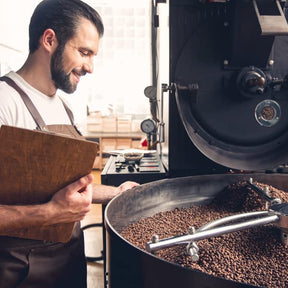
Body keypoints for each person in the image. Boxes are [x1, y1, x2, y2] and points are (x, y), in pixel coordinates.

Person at [0, 1, 138, 287]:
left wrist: (118, 192)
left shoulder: (64, 107)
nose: (90, 67)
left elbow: (68, 185)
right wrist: (51, 213)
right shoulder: (5, 101)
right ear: (49, 39)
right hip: (22, 272)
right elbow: (55, 204)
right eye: (84, 52)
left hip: (69, 264)